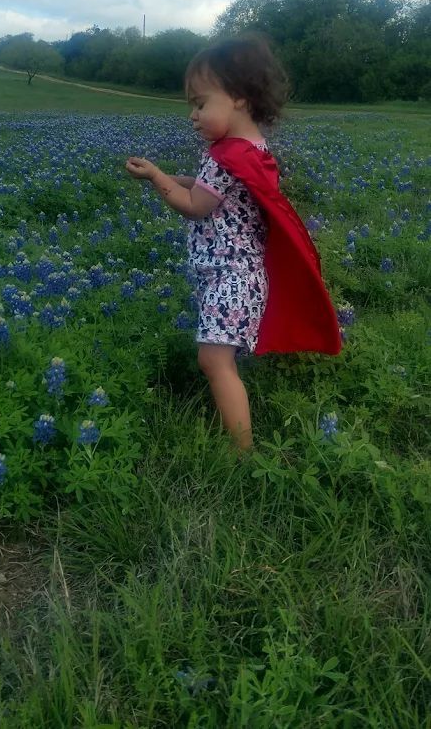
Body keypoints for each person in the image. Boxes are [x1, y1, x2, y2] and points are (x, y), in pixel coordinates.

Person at [125, 33, 341, 454]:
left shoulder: (226, 156)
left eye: (201, 103)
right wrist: (171, 175)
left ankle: (241, 454)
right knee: (218, 357)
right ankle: (239, 438)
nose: (192, 115)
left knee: (213, 360)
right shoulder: (247, 148)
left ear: (239, 97)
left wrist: (157, 179)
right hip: (232, 271)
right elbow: (210, 188)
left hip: (232, 275)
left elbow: (195, 204)